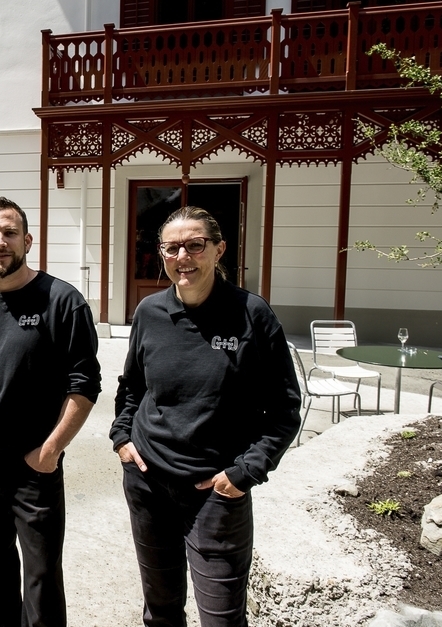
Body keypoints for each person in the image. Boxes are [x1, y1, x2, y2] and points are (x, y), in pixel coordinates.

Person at [110, 206, 302, 627]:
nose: (184, 257)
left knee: (222, 618)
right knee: (160, 611)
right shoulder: (148, 313)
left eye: (195, 245)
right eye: (172, 247)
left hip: (215, 493)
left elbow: (285, 409)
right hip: (148, 483)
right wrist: (123, 437)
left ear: (219, 250)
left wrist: (245, 473)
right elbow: (133, 386)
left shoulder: (252, 315)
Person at [0, 197, 102, 627]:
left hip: (34, 466)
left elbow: (84, 384)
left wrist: (51, 449)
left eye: (9, 233)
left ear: (27, 240)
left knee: (42, 582)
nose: (0, 242)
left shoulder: (62, 301)